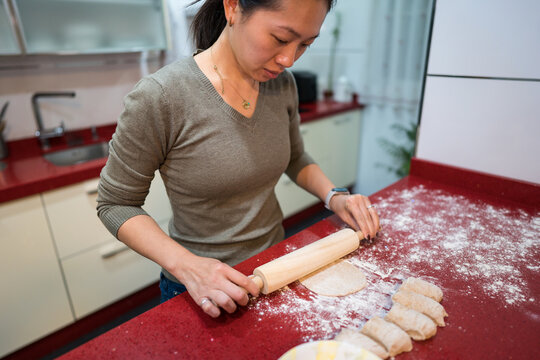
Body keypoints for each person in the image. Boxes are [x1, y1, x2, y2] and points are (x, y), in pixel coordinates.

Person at [97, 0, 379, 318]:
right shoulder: (161, 96)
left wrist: (334, 196)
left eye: (305, 45)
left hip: (276, 271)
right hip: (201, 290)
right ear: (232, 6)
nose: (288, 59)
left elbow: (295, 155)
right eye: (280, 38)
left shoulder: (281, 84)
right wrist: (189, 267)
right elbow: (115, 204)